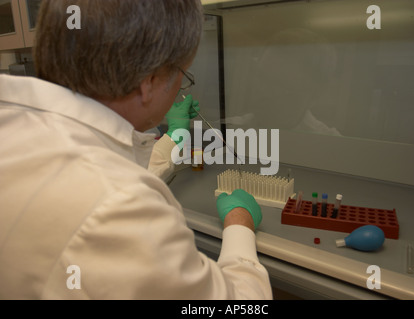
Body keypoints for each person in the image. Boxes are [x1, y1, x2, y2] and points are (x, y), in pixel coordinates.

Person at [0, 0, 272, 300]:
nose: (181, 83)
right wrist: (239, 227)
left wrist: (175, 137)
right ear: (149, 81)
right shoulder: (120, 207)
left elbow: (90, 169)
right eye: (183, 72)